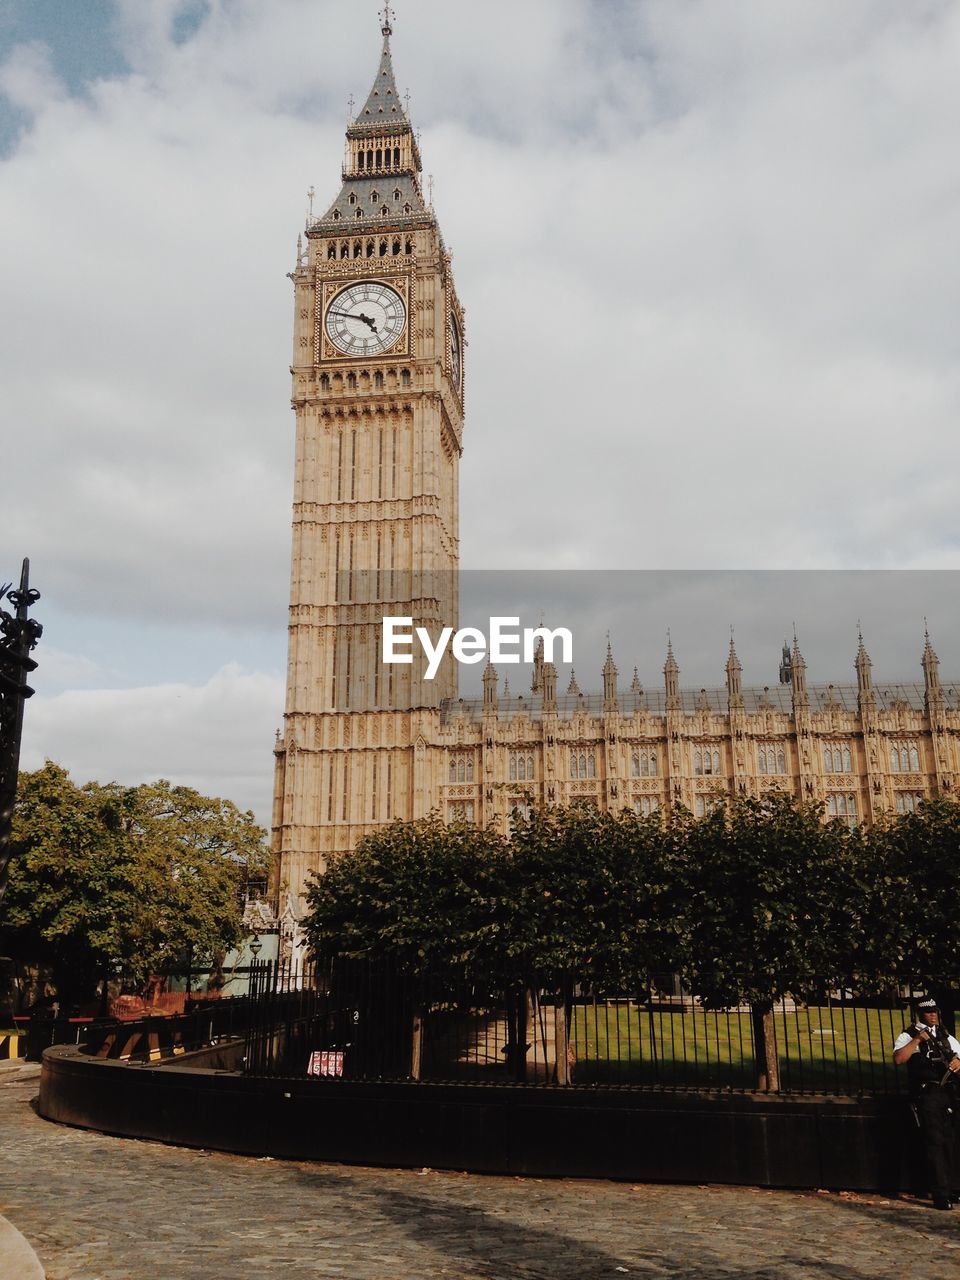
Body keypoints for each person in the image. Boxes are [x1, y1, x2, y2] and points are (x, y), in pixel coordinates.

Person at [893, 995, 960, 1210]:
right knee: (934, 1142)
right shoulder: (908, 1034)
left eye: (935, 1011)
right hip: (926, 1093)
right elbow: (899, 1058)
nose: (933, 1015)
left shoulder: (945, 1035)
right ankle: (939, 1194)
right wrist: (917, 1041)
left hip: (947, 1092)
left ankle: (949, 1189)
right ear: (920, 1014)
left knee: (948, 1141)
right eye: (929, 1012)